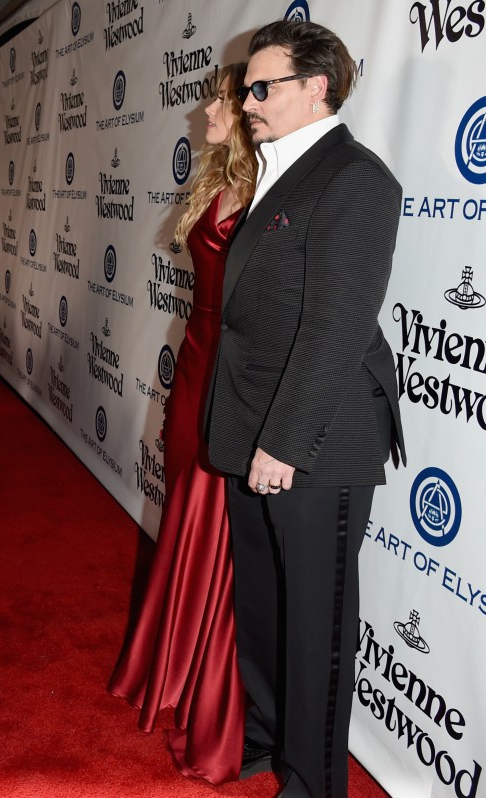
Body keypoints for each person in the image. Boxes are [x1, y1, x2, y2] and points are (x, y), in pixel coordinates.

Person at [206, 20, 406, 798]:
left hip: (316, 441)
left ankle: (313, 781)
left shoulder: (355, 179)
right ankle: (267, 738)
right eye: (248, 88)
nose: (248, 101)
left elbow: (337, 327)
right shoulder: (283, 170)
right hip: (254, 422)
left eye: (263, 87)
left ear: (316, 86)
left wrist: (284, 444)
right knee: (262, 605)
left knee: (314, 625)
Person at [108, 63, 257, 785]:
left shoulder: (266, 193)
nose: (205, 111)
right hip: (196, 360)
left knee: (215, 521)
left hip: (230, 369)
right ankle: (172, 666)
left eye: (218, 101)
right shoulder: (221, 179)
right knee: (188, 515)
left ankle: (211, 695)